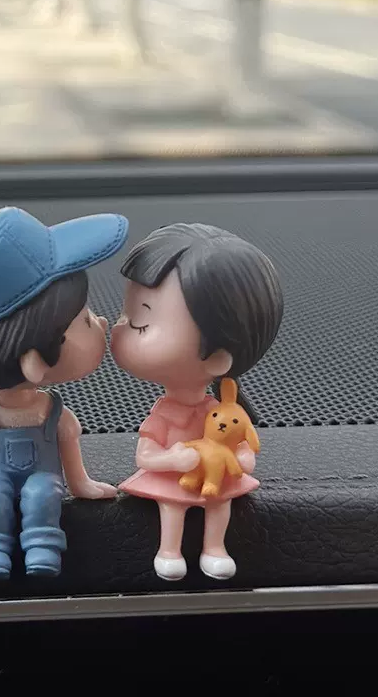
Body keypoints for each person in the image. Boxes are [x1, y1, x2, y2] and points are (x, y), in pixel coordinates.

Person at [0, 206, 128, 579]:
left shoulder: (55, 413)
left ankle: (43, 547)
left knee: (43, 494)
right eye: (83, 320)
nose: (102, 322)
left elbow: (70, 457)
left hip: (44, 477)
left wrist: (80, 484)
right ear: (34, 361)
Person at [111, 222, 284, 582]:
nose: (116, 329)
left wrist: (243, 457)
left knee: (220, 504)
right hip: (176, 477)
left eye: (140, 323)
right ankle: (168, 550)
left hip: (215, 478)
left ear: (217, 358)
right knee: (171, 506)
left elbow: (240, 444)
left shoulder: (219, 412)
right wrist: (171, 459)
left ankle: (215, 548)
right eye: (125, 315)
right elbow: (145, 456)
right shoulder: (165, 413)